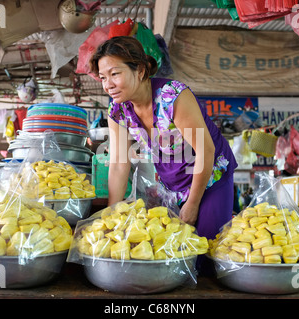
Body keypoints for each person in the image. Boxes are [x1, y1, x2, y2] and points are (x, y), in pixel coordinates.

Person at [89, 36, 238, 241]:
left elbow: (206, 150)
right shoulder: (118, 110)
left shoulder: (172, 96)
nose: (108, 85)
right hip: (172, 186)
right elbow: (118, 163)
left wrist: (193, 204)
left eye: (115, 74)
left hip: (211, 177)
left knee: (205, 251)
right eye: (103, 78)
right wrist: (111, 214)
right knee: (175, 252)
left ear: (140, 70)